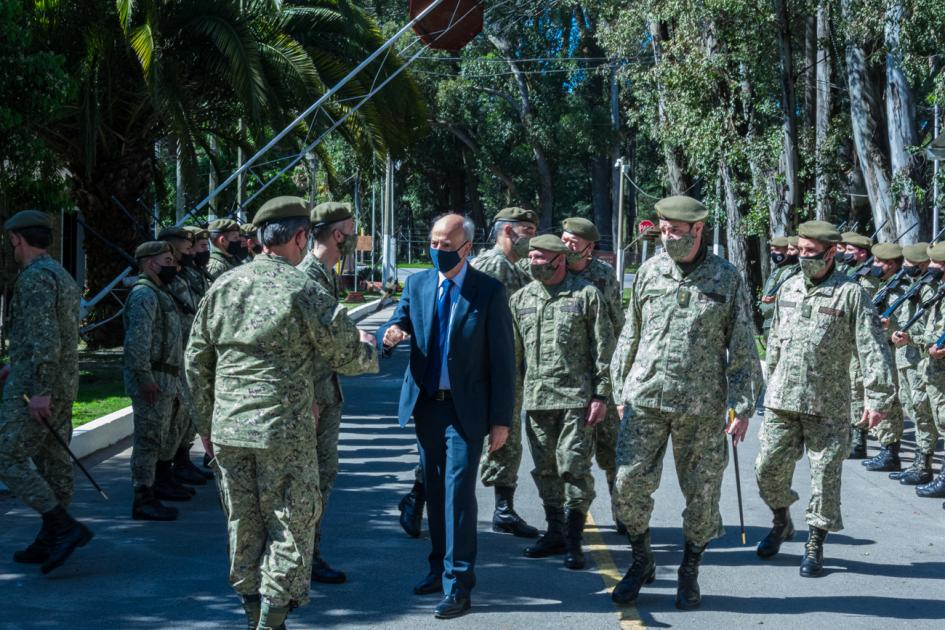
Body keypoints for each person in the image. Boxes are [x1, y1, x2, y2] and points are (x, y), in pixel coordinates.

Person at [186, 196, 378, 629]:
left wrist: (205, 426)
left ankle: (253, 613)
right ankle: (270, 621)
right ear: (299, 237)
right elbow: (345, 356)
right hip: (283, 430)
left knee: (244, 524)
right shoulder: (303, 290)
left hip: (230, 429)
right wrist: (370, 347)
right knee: (292, 524)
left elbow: (196, 361)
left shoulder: (223, 287)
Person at [609, 196, 760, 609]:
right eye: (663, 227)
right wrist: (620, 388)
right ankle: (642, 560)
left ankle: (690, 569)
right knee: (626, 486)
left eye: (676, 229)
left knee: (703, 495)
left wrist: (742, 406)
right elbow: (630, 333)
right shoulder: (650, 271)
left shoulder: (725, 278)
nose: (667, 235)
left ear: (697, 230)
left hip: (702, 407)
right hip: (645, 400)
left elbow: (743, 346)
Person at [377, 213, 515, 619]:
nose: (437, 251)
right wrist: (390, 334)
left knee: (457, 494)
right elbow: (399, 320)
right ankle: (437, 568)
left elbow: (504, 362)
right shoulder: (418, 284)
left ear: (467, 248)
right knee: (434, 492)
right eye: (434, 243)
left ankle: (459, 583)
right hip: (427, 406)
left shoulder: (488, 292)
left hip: (465, 409)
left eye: (446, 245)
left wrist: (501, 419)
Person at [756, 220, 896, 577]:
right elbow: (774, 340)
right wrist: (767, 383)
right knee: (766, 470)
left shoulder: (851, 293)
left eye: (810, 252)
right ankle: (781, 521)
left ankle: (815, 542)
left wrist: (877, 398)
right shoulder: (788, 287)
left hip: (828, 404)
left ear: (831, 253)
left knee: (824, 479)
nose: (803, 258)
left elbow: (872, 346)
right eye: (799, 251)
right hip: (782, 400)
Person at [512, 234, 613, 570]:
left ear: (559, 259)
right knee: (545, 470)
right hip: (537, 400)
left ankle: (573, 539)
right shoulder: (521, 299)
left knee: (573, 467)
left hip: (577, 400)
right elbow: (514, 358)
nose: (533, 262)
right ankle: (554, 530)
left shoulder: (586, 295)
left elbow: (604, 352)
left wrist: (601, 395)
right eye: (531, 257)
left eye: (540, 257)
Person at [0, 209, 91, 574]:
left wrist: (39, 389)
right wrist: (16, 363)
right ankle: (51, 537)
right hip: (61, 384)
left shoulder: (35, 277)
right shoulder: (60, 273)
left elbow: (46, 338)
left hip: (37, 389)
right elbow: (53, 335)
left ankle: (61, 526)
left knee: (6, 456)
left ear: (16, 239)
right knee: (54, 463)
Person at [470, 206, 540, 539]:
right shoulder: (486, 268)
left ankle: (503, 509)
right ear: (508, 231)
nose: (533, 236)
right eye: (527, 230)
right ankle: (418, 495)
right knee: (464, 437)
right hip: (480, 371)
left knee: (507, 440)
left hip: (510, 370)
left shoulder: (520, 270)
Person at [298, 201, 358, 584]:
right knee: (309, 482)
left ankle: (307, 555)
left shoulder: (325, 275)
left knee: (321, 479)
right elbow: (298, 346)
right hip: (312, 400)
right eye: (351, 230)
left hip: (325, 394)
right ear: (338, 235)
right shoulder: (308, 278)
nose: (354, 237)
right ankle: (303, 560)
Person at [561, 217, 625, 534]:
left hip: (603, 372)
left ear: (589, 247)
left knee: (612, 448)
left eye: (573, 242)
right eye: (564, 239)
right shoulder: (554, 271)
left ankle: (622, 511)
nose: (566, 246)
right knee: (571, 454)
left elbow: (617, 323)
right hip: (568, 376)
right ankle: (569, 519)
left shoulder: (603, 275)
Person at [124, 241, 190, 521]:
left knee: (162, 435)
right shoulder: (144, 295)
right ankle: (143, 497)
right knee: (148, 439)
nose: (173, 266)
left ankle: (157, 485)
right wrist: (144, 378)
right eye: (167, 260)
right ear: (150, 263)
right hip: (153, 377)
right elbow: (137, 343)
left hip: (168, 376)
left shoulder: (160, 292)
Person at [157, 226, 213, 487]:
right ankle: (163, 471)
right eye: (187, 247)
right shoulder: (165, 281)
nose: (191, 252)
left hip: (187, 352)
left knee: (184, 416)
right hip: (171, 357)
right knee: (169, 420)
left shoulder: (187, 275)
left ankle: (180, 460)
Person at [895, 241, 945, 503]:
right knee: (931, 415)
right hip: (931, 364)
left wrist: (916, 341)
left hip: (934, 364)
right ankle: (925, 466)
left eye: (938, 263)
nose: (934, 267)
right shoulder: (936, 290)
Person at [882, 243, 936, 484]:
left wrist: (910, 337)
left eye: (911, 265)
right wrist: (892, 330)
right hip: (905, 357)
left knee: (923, 411)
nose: (905, 268)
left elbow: (927, 330)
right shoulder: (917, 286)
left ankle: (924, 465)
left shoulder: (930, 291)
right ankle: (918, 462)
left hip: (920, 359)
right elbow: (904, 322)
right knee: (913, 408)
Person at [858, 243, 906, 472]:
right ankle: (886, 449)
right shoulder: (885, 286)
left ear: (892, 264)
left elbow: (904, 321)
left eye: (880, 262)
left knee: (890, 402)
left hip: (893, 350)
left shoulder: (901, 289)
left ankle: (890, 452)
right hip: (880, 349)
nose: (875, 266)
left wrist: (889, 325)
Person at [759, 236, 799, 338]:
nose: (774, 253)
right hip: (769, 321)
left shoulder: (794, 271)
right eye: (772, 250)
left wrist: (775, 298)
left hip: (782, 322)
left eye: (777, 250)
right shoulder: (778, 270)